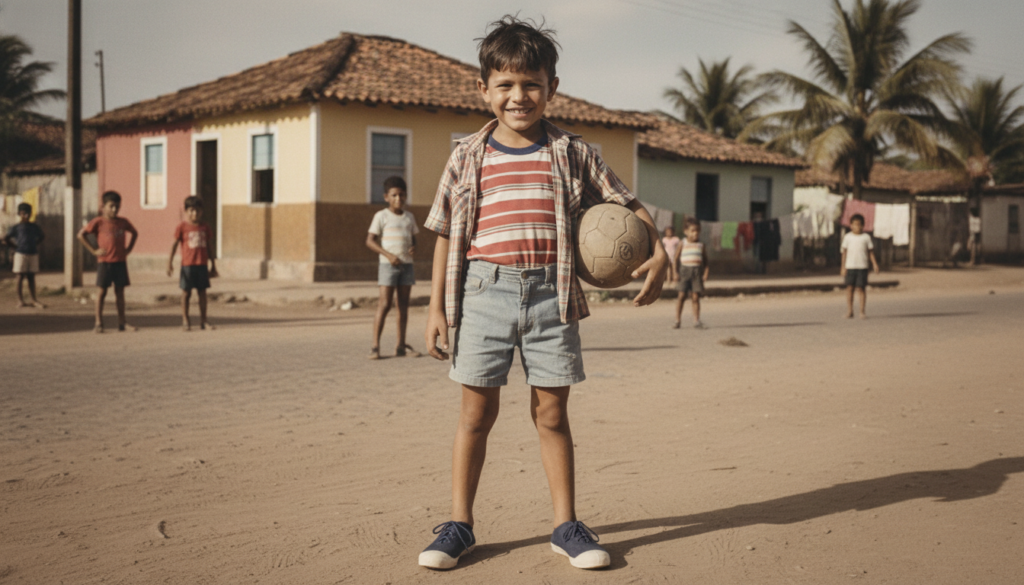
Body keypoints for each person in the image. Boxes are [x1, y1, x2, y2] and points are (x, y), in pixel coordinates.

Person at [418, 16, 667, 571]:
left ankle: (566, 525)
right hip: (482, 291)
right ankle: (459, 524)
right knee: (475, 414)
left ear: (552, 87)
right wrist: (435, 307)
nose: (518, 96)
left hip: (551, 298)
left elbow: (627, 204)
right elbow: (441, 232)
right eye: (504, 85)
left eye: (531, 83)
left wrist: (660, 247)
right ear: (483, 89)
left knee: (552, 414)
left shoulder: (574, 151)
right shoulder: (467, 155)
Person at [365, 176, 421, 359]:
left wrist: (413, 247)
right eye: (394, 195)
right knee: (385, 304)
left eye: (402, 195)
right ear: (386, 197)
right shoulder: (381, 216)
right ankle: (375, 346)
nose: (399, 199)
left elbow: (414, 240)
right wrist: (388, 255)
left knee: (403, 306)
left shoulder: (409, 217)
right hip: (388, 267)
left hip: (407, 266)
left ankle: (401, 346)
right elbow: (370, 241)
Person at [78, 191, 138, 333]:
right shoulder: (98, 222)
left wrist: (128, 249)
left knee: (120, 292)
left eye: (117, 206)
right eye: (111, 206)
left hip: (120, 262)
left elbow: (135, 233)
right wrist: (94, 251)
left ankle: (122, 323)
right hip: (105, 262)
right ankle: (98, 323)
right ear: (103, 206)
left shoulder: (123, 222)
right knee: (102, 292)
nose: (114, 209)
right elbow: (81, 235)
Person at [167, 196, 217, 331]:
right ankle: (185, 320)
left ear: (202, 212)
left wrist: (213, 265)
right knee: (186, 293)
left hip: (202, 265)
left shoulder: (205, 227)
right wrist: (169, 263)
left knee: (202, 293)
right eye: (191, 210)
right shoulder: (182, 227)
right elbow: (174, 245)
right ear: (186, 211)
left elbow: (209, 247)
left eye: (198, 211)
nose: (194, 214)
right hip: (187, 266)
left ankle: (203, 321)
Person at [3, 202, 46, 308]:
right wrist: (13, 246)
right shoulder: (16, 227)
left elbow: (42, 236)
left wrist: (35, 244)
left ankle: (33, 300)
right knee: (20, 276)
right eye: (23, 213)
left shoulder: (34, 227)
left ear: (30, 214)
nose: (25, 215)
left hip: (32, 253)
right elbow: (6, 238)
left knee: (31, 276)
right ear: (19, 214)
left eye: (27, 213)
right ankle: (20, 300)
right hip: (20, 253)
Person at [671, 217, 709, 329]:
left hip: (697, 273)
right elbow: (675, 259)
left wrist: (706, 273)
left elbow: (706, 261)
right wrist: (675, 272)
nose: (695, 233)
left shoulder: (701, 245)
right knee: (681, 296)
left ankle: (696, 320)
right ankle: (677, 320)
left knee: (695, 297)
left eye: (697, 230)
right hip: (684, 272)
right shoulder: (682, 243)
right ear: (686, 231)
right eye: (692, 231)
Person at [840, 213, 879, 319]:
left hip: (862, 267)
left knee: (861, 289)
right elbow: (844, 253)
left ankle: (862, 311)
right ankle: (850, 311)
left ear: (863, 226)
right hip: (850, 266)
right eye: (854, 224)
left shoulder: (866, 237)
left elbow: (870, 252)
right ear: (851, 225)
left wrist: (875, 264)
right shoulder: (847, 237)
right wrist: (843, 267)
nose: (857, 227)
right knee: (849, 289)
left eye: (859, 224)